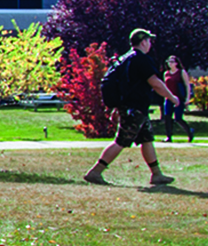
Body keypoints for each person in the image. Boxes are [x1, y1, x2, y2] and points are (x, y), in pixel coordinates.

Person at [83, 28, 180, 186]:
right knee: (121, 141)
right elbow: (155, 83)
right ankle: (95, 172)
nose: (150, 44)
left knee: (147, 139)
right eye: (149, 41)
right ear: (143, 42)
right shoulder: (141, 59)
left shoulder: (124, 58)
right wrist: (172, 98)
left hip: (133, 107)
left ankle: (157, 175)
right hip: (134, 107)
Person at [160, 55, 194, 144]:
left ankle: (190, 132)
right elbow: (165, 87)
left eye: (172, 62)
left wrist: (187, 98)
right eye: (169, 62)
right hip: (169, 98)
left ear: (176, 63)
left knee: (178, 118)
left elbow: (187, 85)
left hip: (179, 98)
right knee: (167, 117)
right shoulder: (166, 74)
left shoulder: (181, 72)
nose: (170, 63)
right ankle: (169, 136)